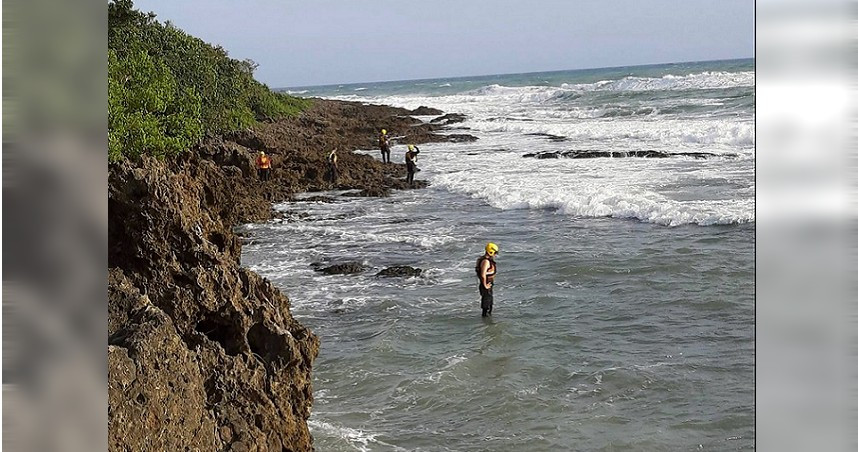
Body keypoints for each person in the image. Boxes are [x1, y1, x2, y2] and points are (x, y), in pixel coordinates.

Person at [476, 242, 499, 317]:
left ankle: (486, 322)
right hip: (486, 285)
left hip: (488, 285)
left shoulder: (486, 260)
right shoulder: (486, 261)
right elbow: (483, 275)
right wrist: (485, 285)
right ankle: (486, 321)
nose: (495, 255)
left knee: (489, 304)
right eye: (495, 253)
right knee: (487, 306)